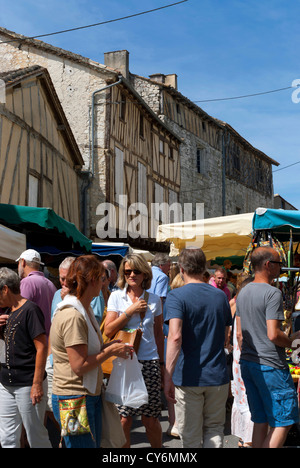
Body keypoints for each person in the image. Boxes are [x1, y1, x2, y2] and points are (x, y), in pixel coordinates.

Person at [50, 255, 134, 448]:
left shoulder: (83, 310)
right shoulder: (73, 315)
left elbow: (86, 351)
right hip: (74, 398)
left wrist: (107, 347)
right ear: (93, 280)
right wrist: (110, 351)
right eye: (102, 279)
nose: (105, 283)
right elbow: (79, 366)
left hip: (85, 395)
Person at [164, 248, 232, 448]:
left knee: (191, 436)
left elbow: (175, 336)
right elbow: (225, 336)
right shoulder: (220, 296)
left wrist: (168, 374)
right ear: (204, 269)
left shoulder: (176, 296)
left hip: (189, 376)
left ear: (181, 269)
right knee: (214, 430)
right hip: (217, 374)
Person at [236, 246, 300, 448]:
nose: (282, 267)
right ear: (267, 264)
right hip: (270, 365)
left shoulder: (243, 292)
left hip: (249, 362)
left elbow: (240, 333)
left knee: (260, 420)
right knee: (284, 421)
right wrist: (291, 342)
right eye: (279, 263)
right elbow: (273, 334)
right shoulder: (272, 293)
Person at [105, 253, 164, 448]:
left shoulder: (154, 299)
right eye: (127, 271)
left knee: (150, 419)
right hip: (123, 362)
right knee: (124, 419)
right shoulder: (116, 296)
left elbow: (157, 335)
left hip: (149, 362)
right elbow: (108, 329)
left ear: (144, 274)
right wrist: (130, 311)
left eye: (136, 271)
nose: (131, 275)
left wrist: (162, 365)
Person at [0, 267, 51, 448]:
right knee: (7, 438)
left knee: (35, 436)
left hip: (28, 382)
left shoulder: (30, 310)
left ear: (5, 289)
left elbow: (42, 347)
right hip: (6, 382)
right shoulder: (7, 311)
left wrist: (37, 383)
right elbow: (13, 341)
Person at [230, 274, 254, 448]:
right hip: (246, 356)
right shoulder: (245, 308)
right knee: (248, 396)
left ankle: (243, 436)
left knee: (241, 396)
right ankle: (248, 438)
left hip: (238, 358)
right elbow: (239, 335)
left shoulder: (236, 305)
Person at [16, 249, 57, 337]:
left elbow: (19, 314)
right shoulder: (51, 284)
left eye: (18, 263)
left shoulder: (27, 282)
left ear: (22, 262)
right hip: (48, 341)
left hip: (33, 342)